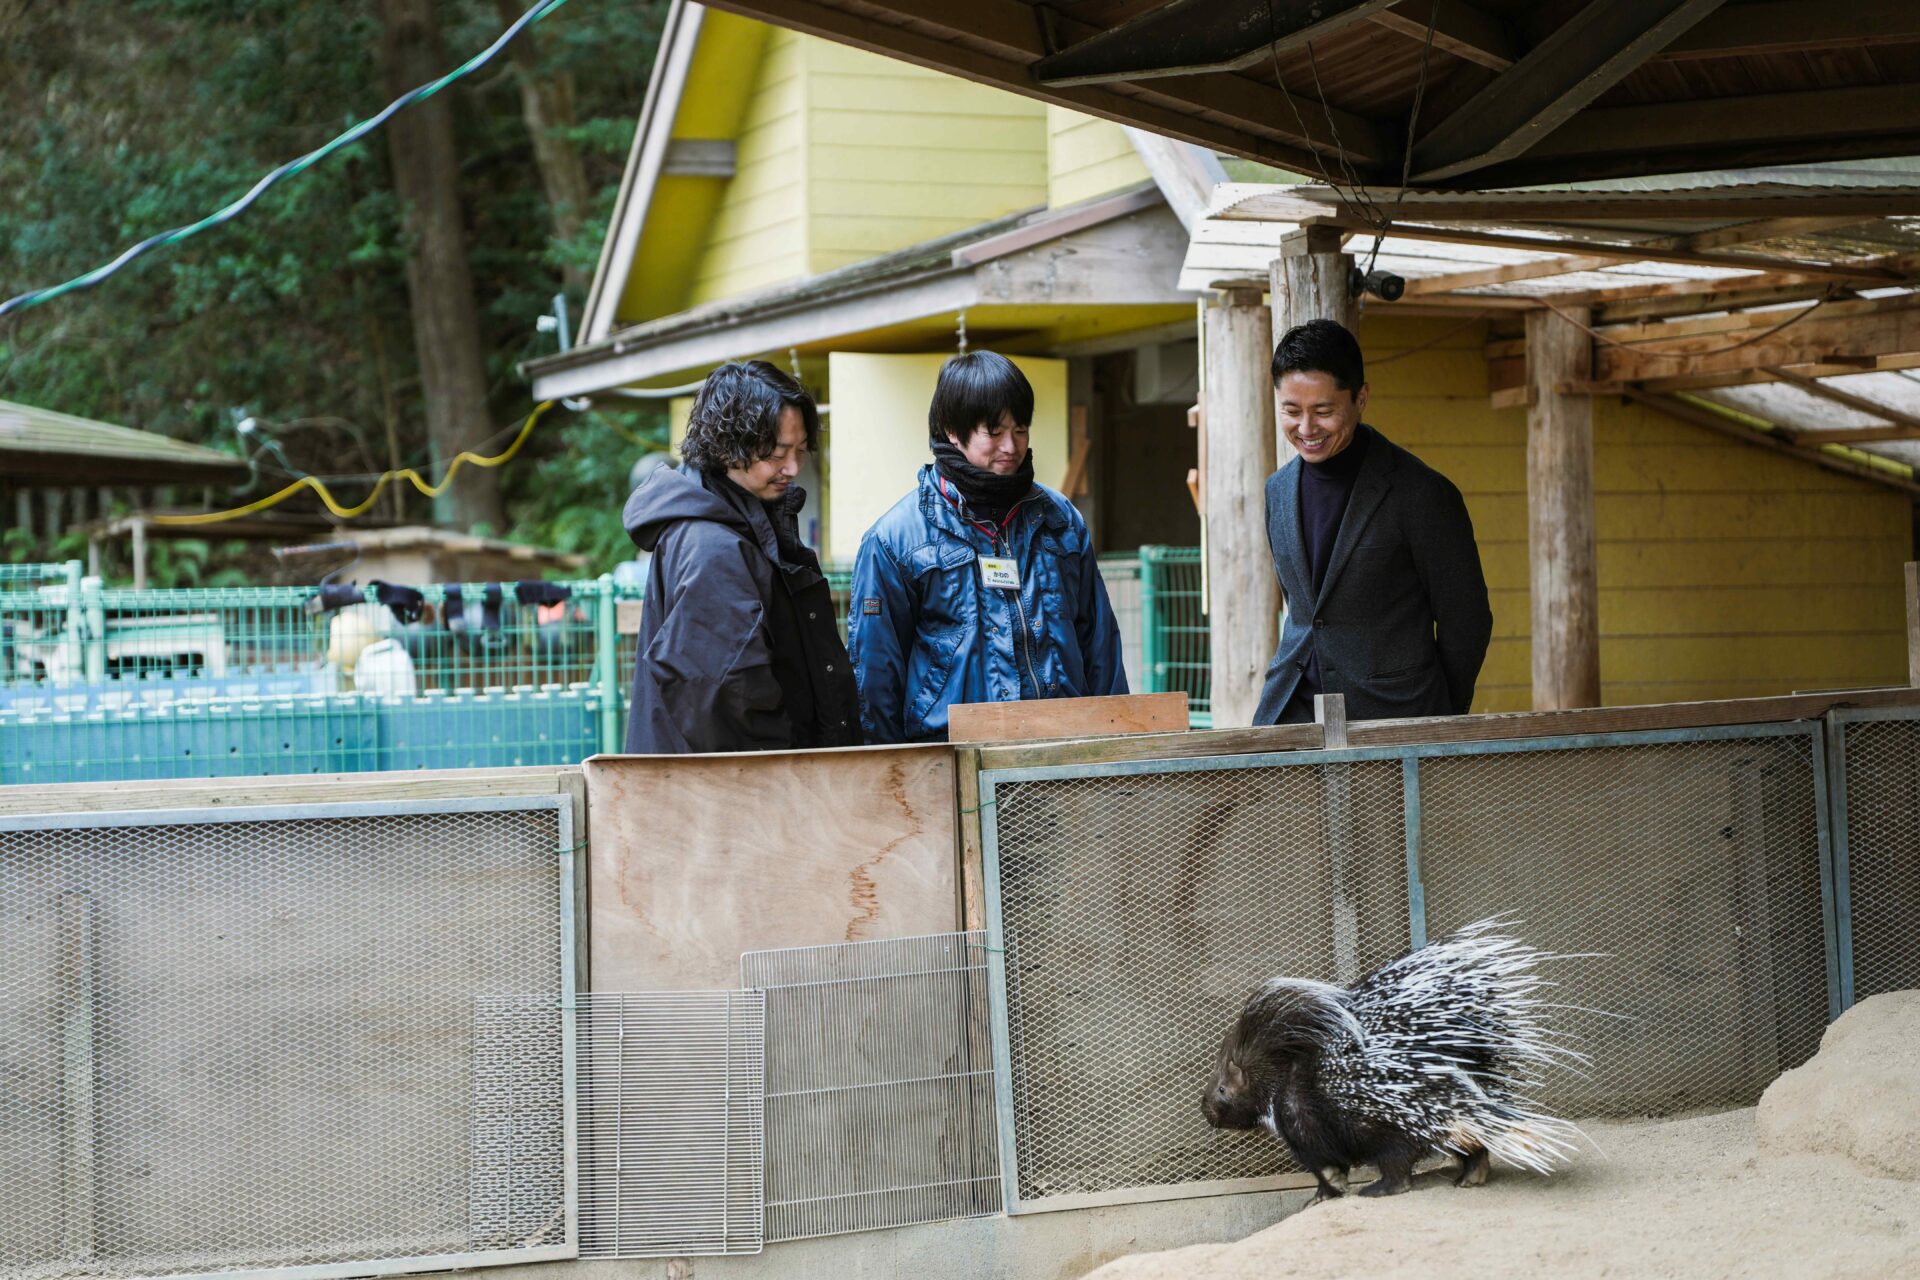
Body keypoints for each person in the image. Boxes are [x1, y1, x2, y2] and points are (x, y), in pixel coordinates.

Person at [849, 350, 1127, 743]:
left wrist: (1116, 742)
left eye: (1021, 429)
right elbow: (876, 675)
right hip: (950, 756)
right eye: (994, 433)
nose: (1011, 446)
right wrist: (891, 768)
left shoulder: (1060, 518)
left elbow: (1099, 645)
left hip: (1063, 748)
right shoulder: (895, 539)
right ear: (952, 430)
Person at [1254, 319, 1491, 724]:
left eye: (1323, 411)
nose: (1306, 428)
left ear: (1361, 398)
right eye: (1291, 411)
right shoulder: (1276, 491)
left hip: (1397, 717)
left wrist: (1439, 714)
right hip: (1291, 710)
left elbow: (1467, 620)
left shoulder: (1422, 493)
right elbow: (1304, 610)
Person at [622, 360, 860, 753]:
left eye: (801, 450)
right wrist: (794, 772)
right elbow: (726, 699)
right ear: (726, 447)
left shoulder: (735, 525)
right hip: (744, 784)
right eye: (777, 453)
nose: (793, 468)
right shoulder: (713, 548)